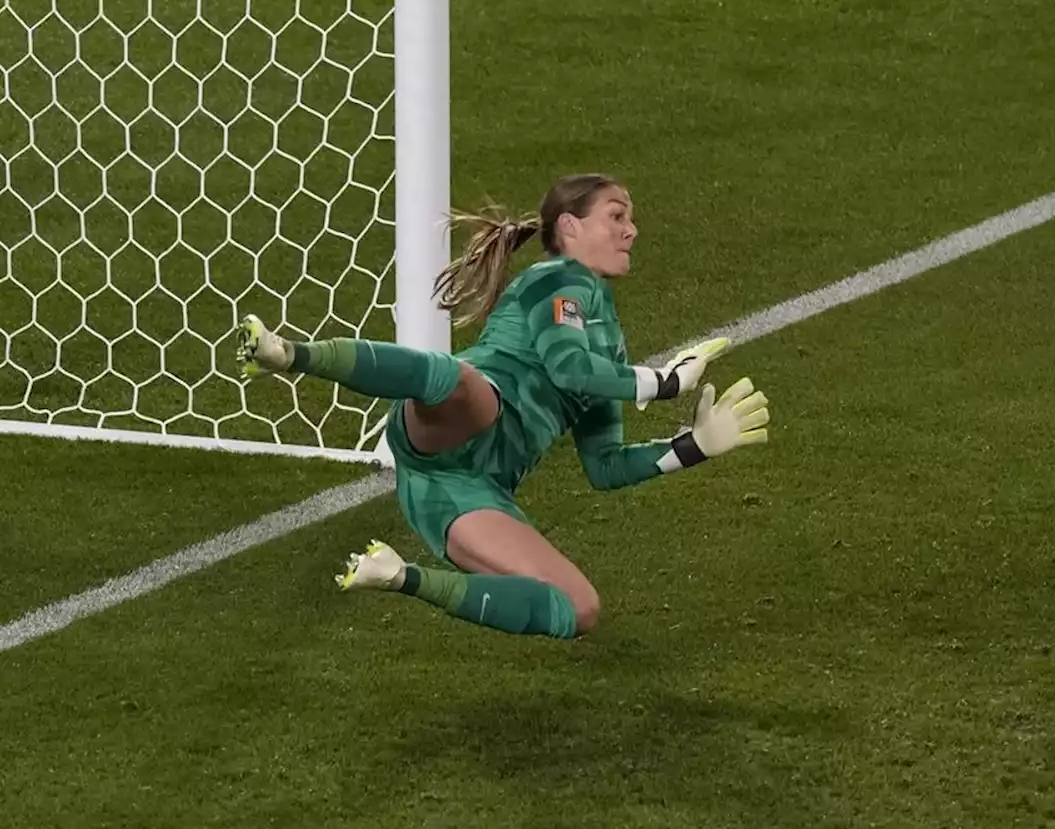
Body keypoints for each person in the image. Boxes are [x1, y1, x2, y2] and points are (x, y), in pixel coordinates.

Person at [235, 173, 770, 641]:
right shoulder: (556, 280)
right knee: (467, 387)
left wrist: (694, 446)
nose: (631, 230)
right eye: (616, 216)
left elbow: (605, 467)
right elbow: (567, 369)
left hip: (465, 488)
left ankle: (399, 575)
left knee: (579, 608)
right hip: (453, 423)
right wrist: (665, 383)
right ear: (570, 227)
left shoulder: (612, 349)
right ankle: (288, 355)